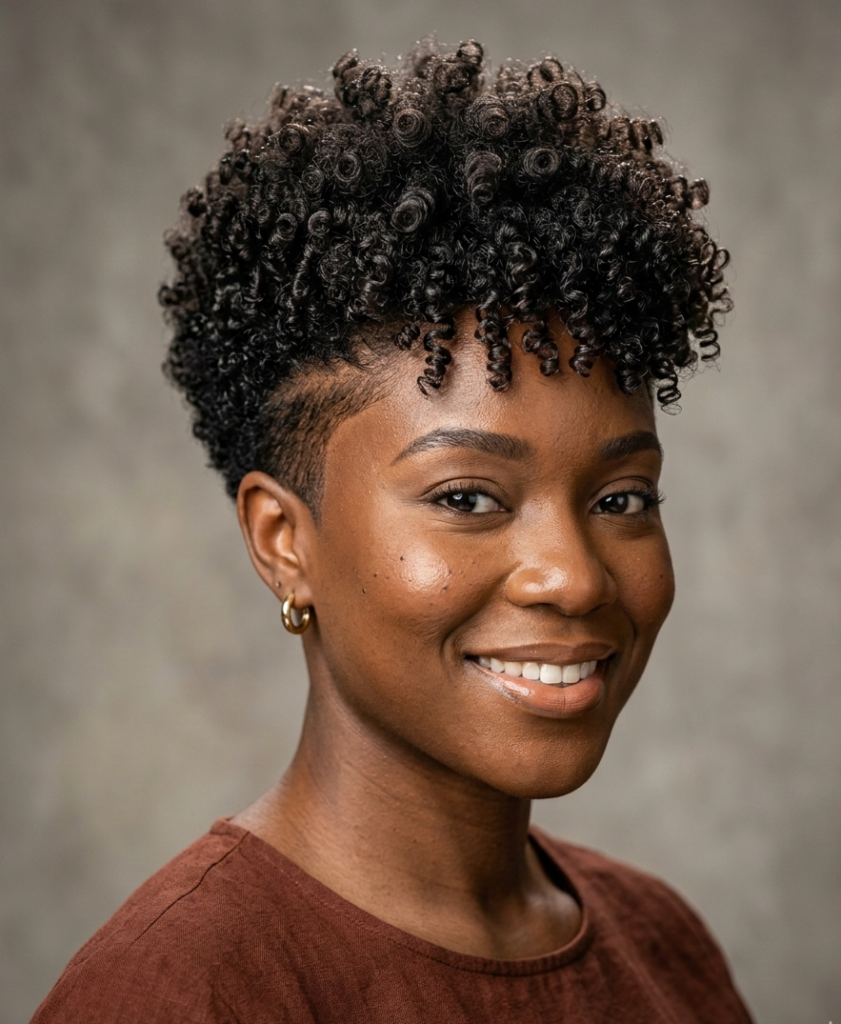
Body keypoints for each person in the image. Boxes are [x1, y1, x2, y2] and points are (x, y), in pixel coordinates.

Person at [32, 38, 752, 1023]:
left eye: (621, 498)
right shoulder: (183, 991)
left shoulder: (665, 949)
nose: (574, 577)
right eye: (466, 497)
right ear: (284, 539)